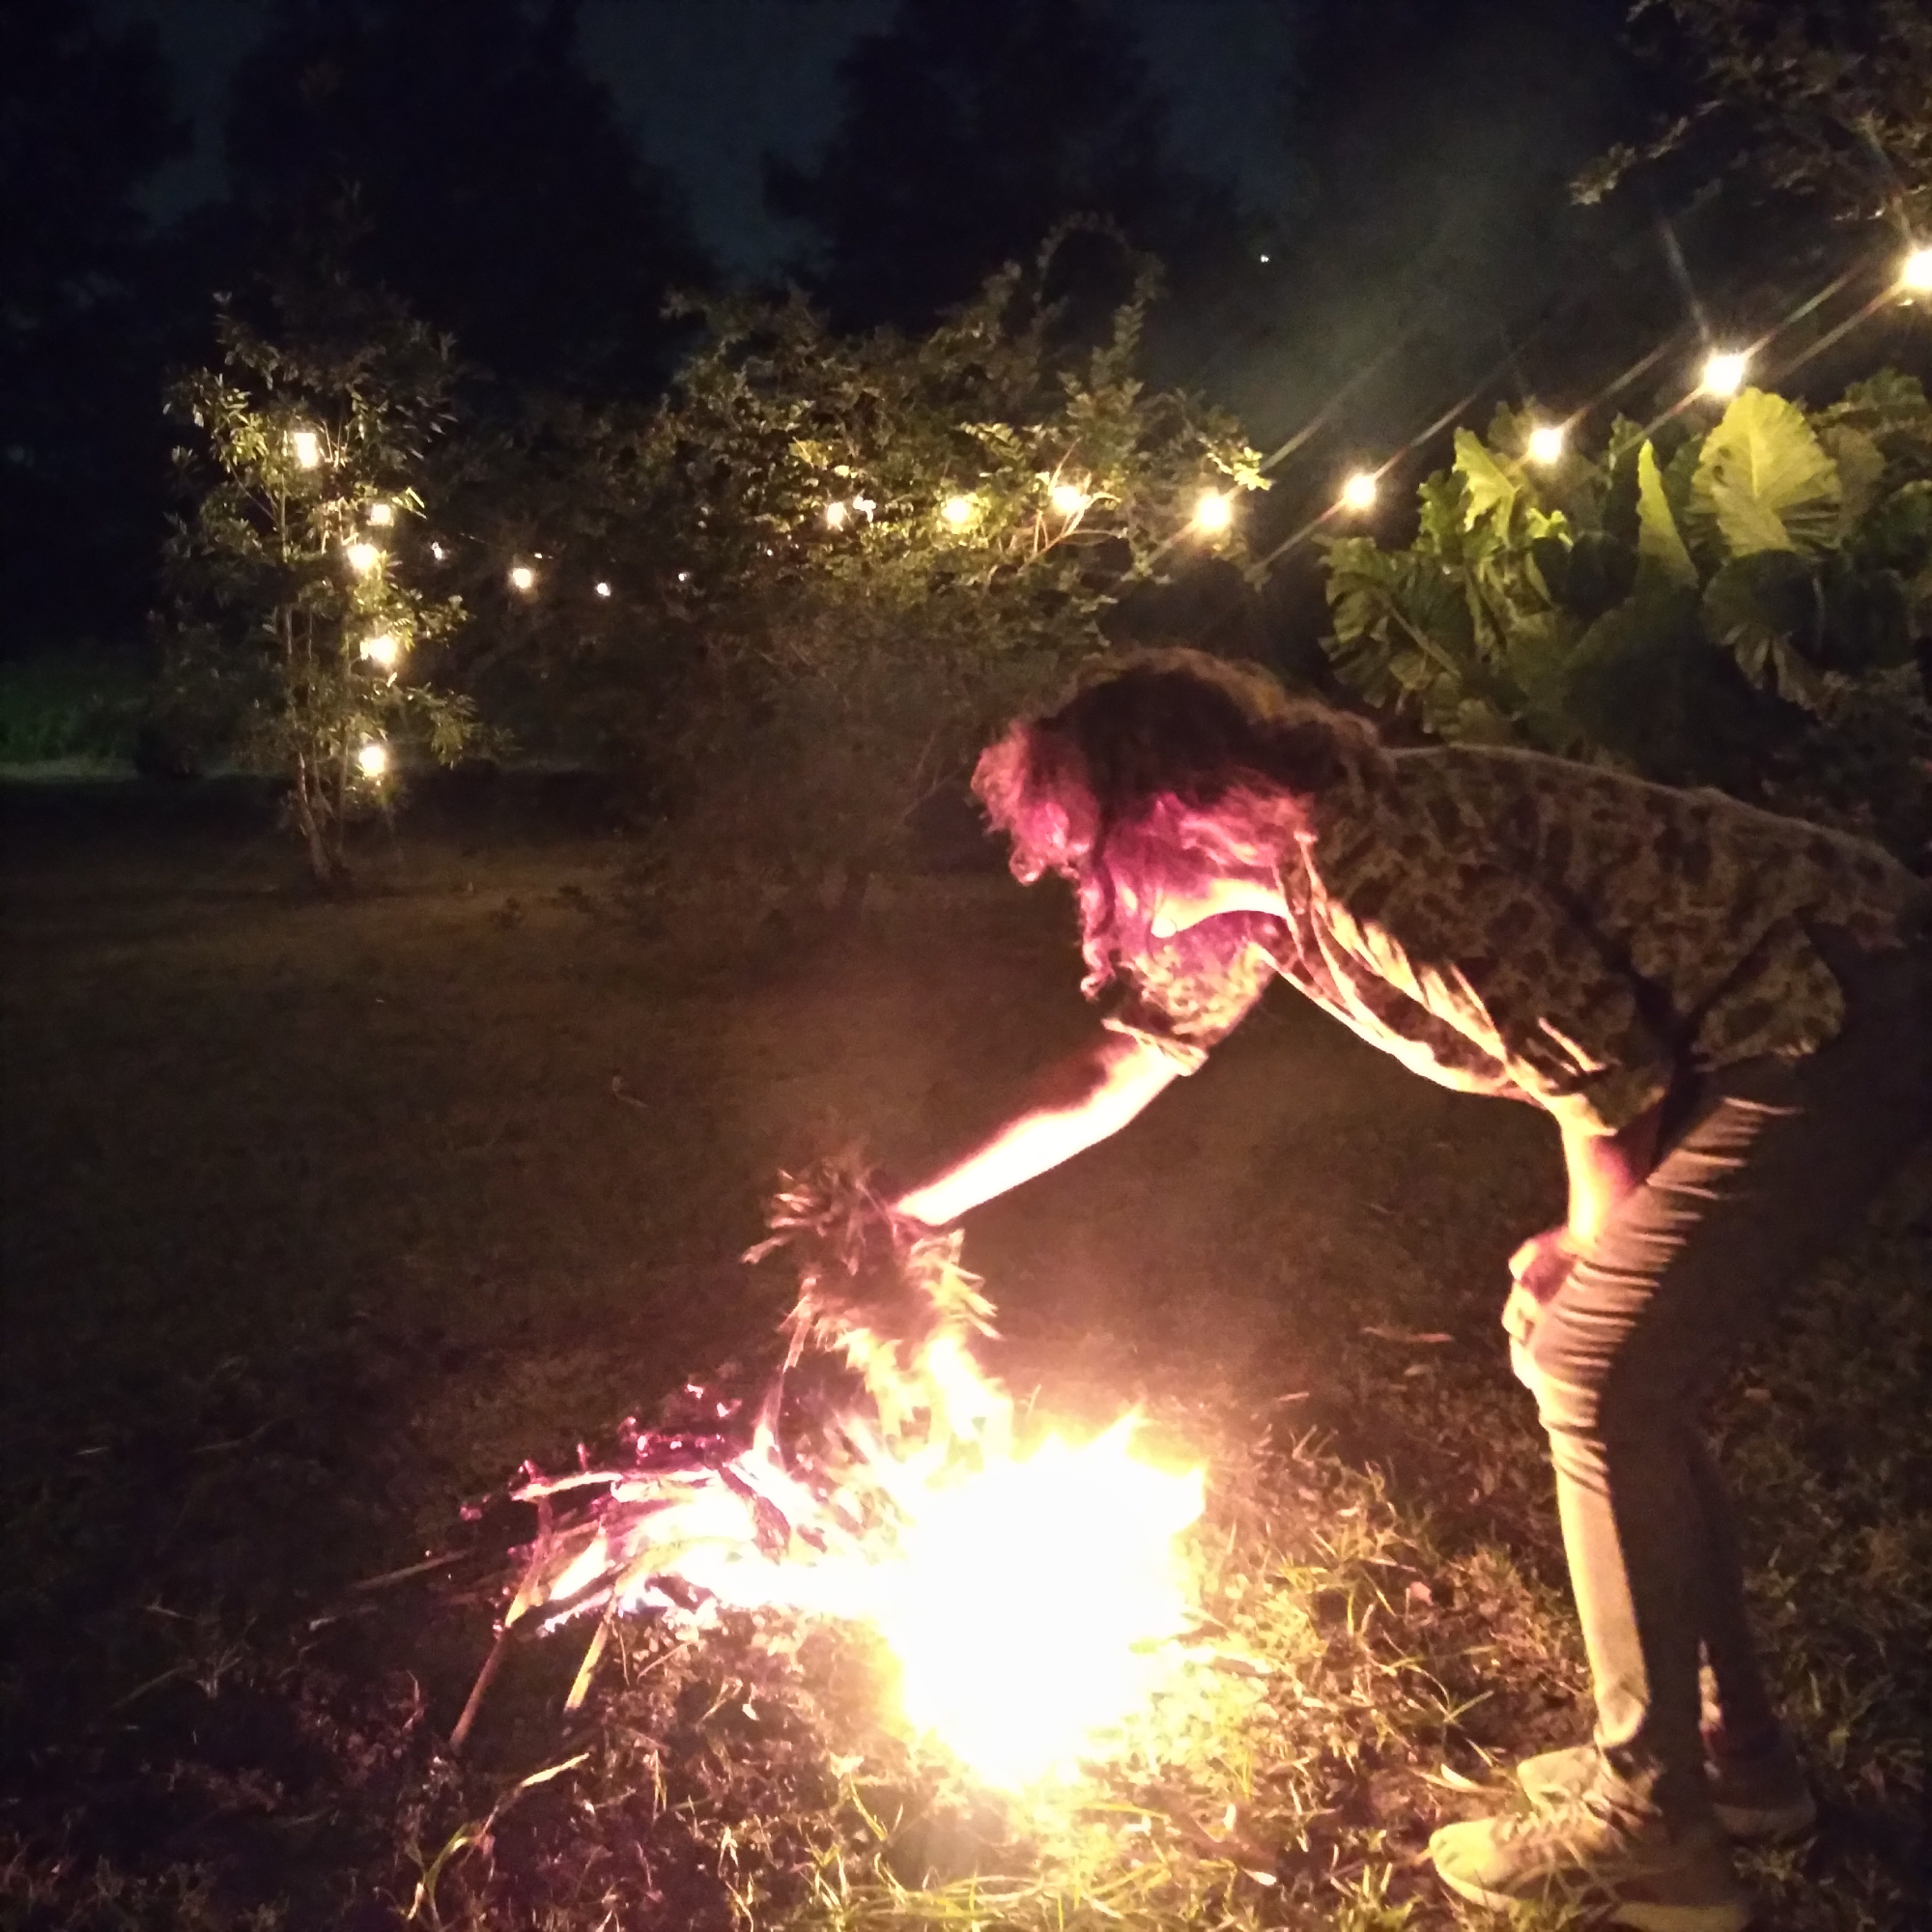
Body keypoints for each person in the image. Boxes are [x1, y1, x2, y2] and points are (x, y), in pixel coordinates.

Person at [890, 649, 1930, 1930]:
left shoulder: (1370, 865)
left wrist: (1582, 1249)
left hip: (1833, 1001)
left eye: (1086, 851)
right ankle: (1736, 1764)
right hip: (1759, 1020)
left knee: (1596, 1368)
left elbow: (1603, 1064)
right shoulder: (1257, 899)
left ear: (1167, 811)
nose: (1079, 886)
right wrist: (910, 1212)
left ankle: (1653, 1827)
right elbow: (1119, 1068)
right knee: (1614, 1369)